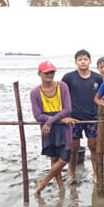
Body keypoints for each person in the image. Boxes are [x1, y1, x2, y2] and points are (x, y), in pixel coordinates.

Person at [30, 60, 73, 195]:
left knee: (65, 157)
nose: (49, 75)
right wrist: (55, 120)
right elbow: (38, 115)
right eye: (46, 73)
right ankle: (61, 188)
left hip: (62, 127)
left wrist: (51, 121)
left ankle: (44, 181)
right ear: (39, 73)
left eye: (52, 72)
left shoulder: (62, 86)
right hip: (49, 128)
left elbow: (67, 109)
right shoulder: (35, 92)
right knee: (54, 158)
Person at [61, 50, 104, 183]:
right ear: (76, 62)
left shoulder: (97, 78)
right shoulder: (68, 77)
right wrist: (63, 115)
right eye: (80, 59)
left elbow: (102, 96)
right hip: (74, 119)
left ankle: (96, 174)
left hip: (92, 118)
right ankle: (72, 173)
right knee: (73, 148)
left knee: (93, 147)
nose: (83, 62)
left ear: (90, 61)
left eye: (85, 59)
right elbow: (62, 96)